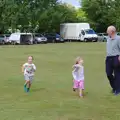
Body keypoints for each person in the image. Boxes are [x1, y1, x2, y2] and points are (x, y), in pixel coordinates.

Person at [106, 26, 120, 95]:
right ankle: (114, 87)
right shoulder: (108, 38)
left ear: (112, 31)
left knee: (117, 74)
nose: (106, 32)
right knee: (108, 74)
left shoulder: (118, 39)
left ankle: (117, 90)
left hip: (116, 58)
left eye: (108, 31)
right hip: (108, 58)